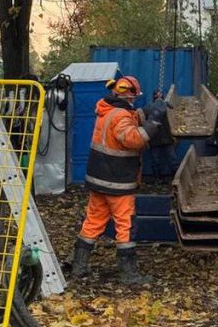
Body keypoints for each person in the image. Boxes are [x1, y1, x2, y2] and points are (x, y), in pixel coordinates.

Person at [70, 75, 163, 285]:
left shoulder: (106, 110)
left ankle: (79, 266)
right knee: (125, 225)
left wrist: (145, 112)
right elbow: (133, 139)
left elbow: (129, 119)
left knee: (93, 222)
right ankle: (128, 273)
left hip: (99, 179)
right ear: (128, 95)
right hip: (117, 180)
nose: (135, 100)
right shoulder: (121, 116)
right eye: (134, 96)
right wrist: (154, 120)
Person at [145, 90, 175, 183]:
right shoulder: (166, 106)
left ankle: (158, 180)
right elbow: (174, 111)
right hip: (165, 137)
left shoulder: (148, 107)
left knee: (156, 161)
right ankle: (176, 178)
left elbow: (143, 119)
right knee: (172, 160)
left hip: (155, 138)